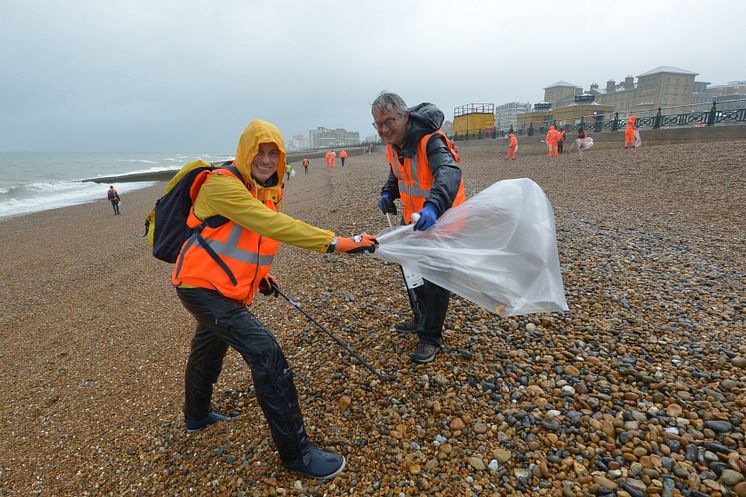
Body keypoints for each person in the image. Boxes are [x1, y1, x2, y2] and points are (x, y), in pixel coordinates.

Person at [171, 119, 377, 480]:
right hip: (200, 287)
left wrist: (260, 275)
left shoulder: (266, 187)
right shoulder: (222, 185)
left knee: (208, 348)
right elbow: (273, 226)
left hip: (227, 286)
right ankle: (297, 454)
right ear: (245, 152)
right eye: (259, 152)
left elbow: (247, 237)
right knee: (266, 354)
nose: (266, 160)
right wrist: (338, 242)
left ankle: (197, 416)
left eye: (273, 154)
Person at [372, 91, 466, 364]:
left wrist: (434, 206)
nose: (384, 129)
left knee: (435, 281)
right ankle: (421, 318)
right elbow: (398, 172)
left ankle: (430, 337)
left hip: (442, 220)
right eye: (378, 125)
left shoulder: (430, 140)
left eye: (389, 121)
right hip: (413, 222)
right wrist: (389, 193)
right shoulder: (394, 145)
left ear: (405, 116)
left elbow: (449, 172)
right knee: (412, 272)